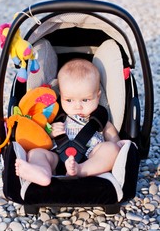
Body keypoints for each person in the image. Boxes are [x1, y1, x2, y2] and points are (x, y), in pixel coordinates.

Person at [15, 58, 124, 186]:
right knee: (36, 153)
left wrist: (117, 144)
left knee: (111, 150)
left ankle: (80, 170)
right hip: (57, 156)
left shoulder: (99, 119)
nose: (77, 106)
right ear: (61, 96)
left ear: (97, 96)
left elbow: (112, 136)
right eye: (69, 100)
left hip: (91, 157)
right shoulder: (58, 116)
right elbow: (42, 138)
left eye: (85, 100)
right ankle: (42, 172)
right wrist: (50, 133)